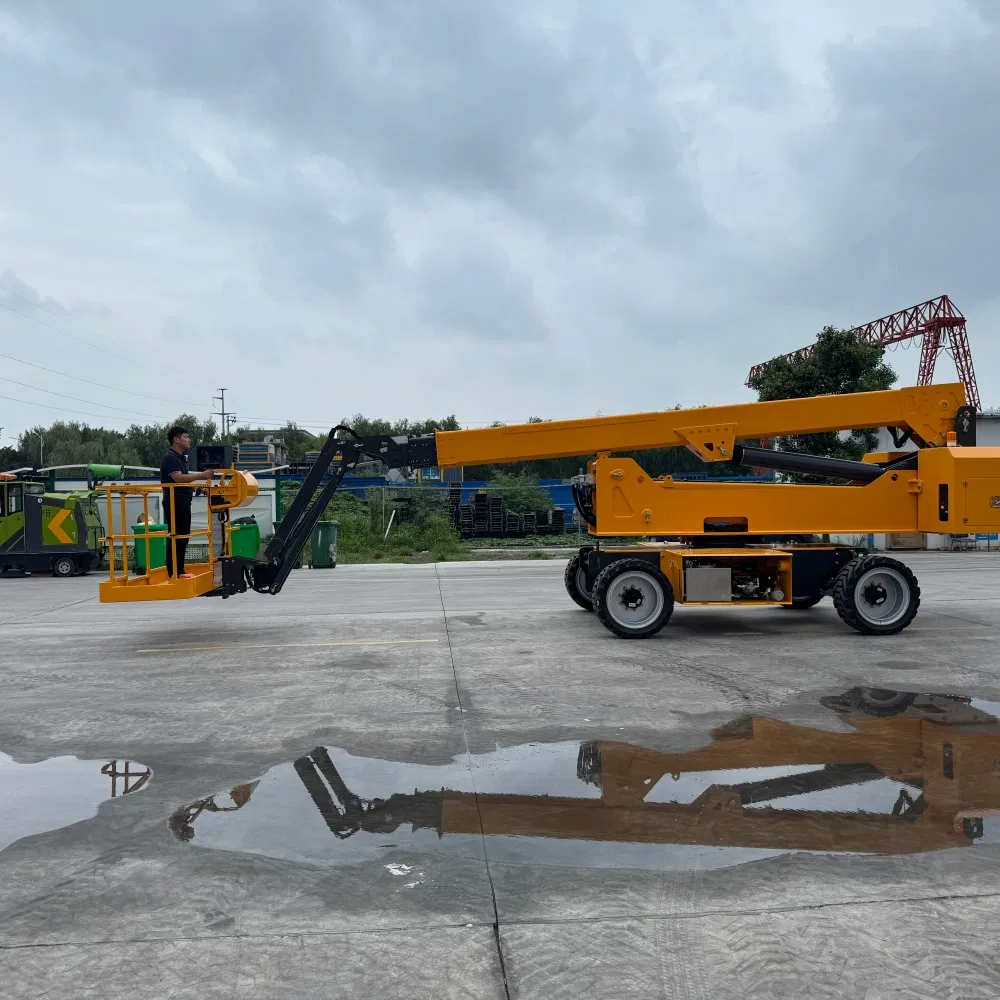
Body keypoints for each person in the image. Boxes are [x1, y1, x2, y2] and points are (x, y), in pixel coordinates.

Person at [160, 426, 211, 579]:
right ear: (176, 439)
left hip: (183, 501)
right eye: (186, 437)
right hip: (174, 501)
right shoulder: (170, 458)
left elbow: (184, 480)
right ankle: (174, 572)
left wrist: (199, 488)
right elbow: (178, 478)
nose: (189, 440)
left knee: (183, 535)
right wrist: (201, 475)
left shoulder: (180, 458)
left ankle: (179, 570)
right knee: (177, 536)